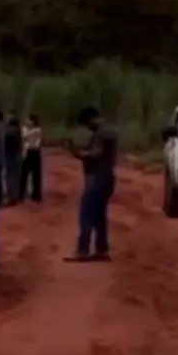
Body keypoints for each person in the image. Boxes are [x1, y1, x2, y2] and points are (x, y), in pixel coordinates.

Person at [64, 106, 118, 262]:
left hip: (97, 176)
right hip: (107, 176)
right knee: (99, 214)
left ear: (91, 118)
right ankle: (102, 249)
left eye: (87, 124)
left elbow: (96, 153)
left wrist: (78, 153)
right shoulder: (109, 130)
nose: (88, 127)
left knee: (87, 213)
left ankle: (83, 250)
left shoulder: (102, 132)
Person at [20, 114, 43, 202]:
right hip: (29, 152)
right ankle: (27, 193)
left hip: (33, 152)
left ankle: (33, 194)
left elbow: (26, 138)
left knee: (31, 174)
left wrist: (25, 131)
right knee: (28, 174)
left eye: (29, 120)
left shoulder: (36, 130)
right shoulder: (29, 129)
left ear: (33, 121)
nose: (27, 122)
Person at [4, 111, 23, 205]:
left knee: (10, 176)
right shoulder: (18, 129)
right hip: (15, 154)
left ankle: (11, 197)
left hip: (10, 154)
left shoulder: (10, 130)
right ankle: (15, 196)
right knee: (15, 176)